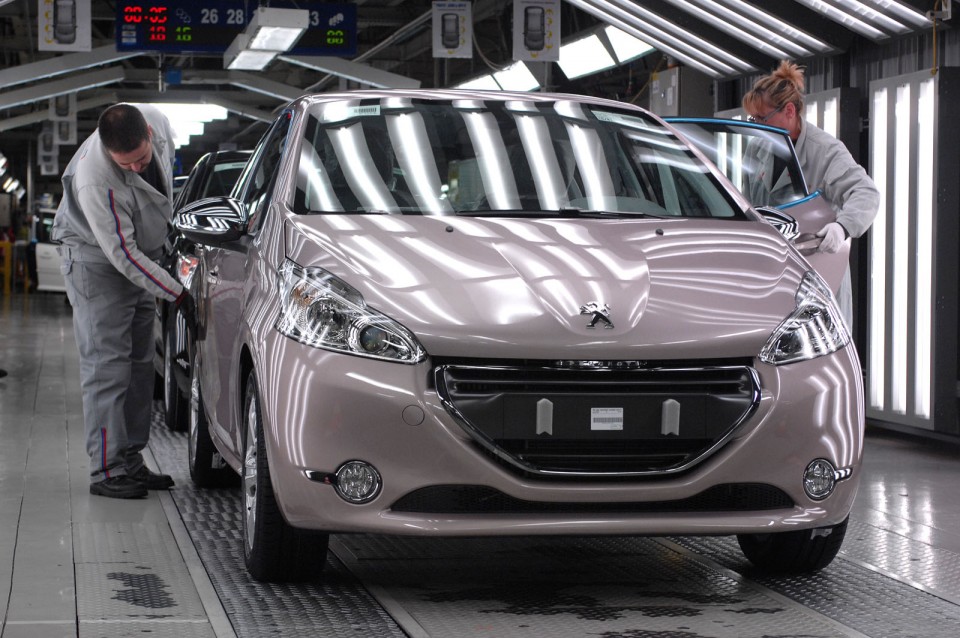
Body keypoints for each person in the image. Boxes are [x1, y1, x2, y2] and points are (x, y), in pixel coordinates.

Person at [53, 103, 194, 499]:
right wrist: (176, 292)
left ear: (149, 132)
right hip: (93, 260)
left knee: (140, 363)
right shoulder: (95, 179)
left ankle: (130, 458)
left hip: (140, 257)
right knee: (107, 366)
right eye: (126, 165)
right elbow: (122, 255)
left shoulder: (161, 123)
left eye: (141, 160)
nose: (135, 168)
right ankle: (106, 469)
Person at [742, 60, 879, 330]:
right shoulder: (757, 148)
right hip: (770, 273)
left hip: (816, 273)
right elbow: (748, 206)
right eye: (753, 120)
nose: (757, 126)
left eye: (762, 118)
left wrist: (842, 227)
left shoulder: (824, 150)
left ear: (789, 111)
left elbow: (865, 192)